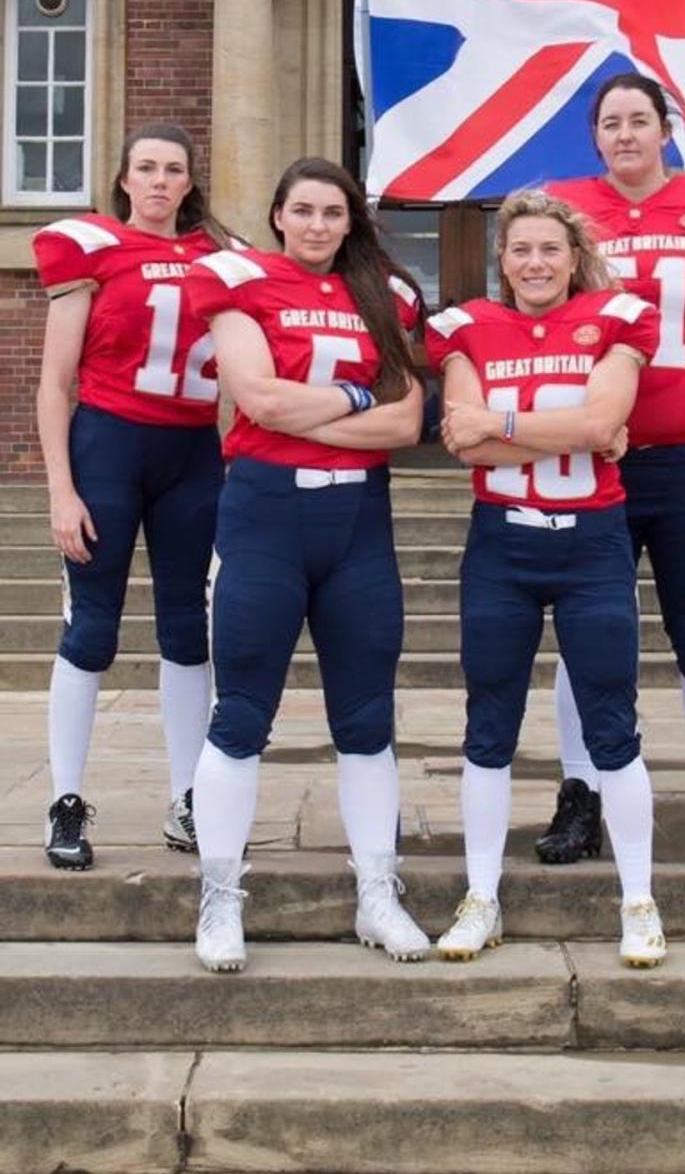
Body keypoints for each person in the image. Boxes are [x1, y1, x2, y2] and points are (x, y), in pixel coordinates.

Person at [183, 158, 427, 974]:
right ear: (279, 216)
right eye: (305, 210)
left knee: (366, 718)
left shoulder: (386, 295)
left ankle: (377, 893)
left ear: (350, 220)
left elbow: (407, 420)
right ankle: (220, 897)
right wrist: (357, 402)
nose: (319, 224)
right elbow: (259, 398)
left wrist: (324, 414)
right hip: (265, 514)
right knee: (241, 709)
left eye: (334, 211)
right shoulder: (241, 279)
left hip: (357, 521)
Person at [539, 70, 685, 873]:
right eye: (609, 123)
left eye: (638, 119)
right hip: (592, 456)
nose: (624, 135)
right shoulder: (566, 210)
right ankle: (581, 792)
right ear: (594, 133)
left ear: (666, 126)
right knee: (584, 634)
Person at [426, 189, 666, 968]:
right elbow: (465, 440)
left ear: (572, 258)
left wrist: (507, 426)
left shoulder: (618, 316)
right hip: (503, 547)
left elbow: (601, 425)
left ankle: (638, 899)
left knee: (613, 728)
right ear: (502, 259)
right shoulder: (466, 328)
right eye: (521, 249)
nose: (535, 262)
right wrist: (571, 433)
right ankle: (481, 895)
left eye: (550, 249)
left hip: (593, 544)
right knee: (488, 726)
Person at [33, 123, 233, 871]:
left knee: (188, 629)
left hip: (191, 452)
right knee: (91, 629)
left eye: (172, 168)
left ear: (188, 182)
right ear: (123, 178)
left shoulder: (222, 259)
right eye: (145, 167)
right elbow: (55, 383)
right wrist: (60, 487)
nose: (158, 180)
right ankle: (66, 796)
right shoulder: (92, 248)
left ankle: (188, 796)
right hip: (108, 446)